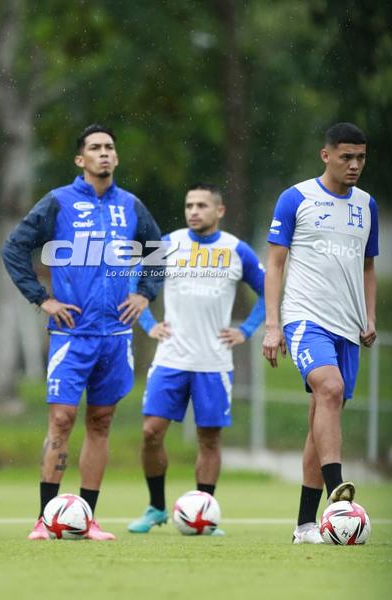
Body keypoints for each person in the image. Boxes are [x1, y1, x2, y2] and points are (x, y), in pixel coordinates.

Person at [2, 124, 163, 540]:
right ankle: (44, 518)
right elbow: (14, 247)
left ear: (116, 157)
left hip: (115, 337)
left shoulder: (130, 205)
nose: (104, 153)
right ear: (81, 160)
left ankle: (86, 519)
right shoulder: (58, 202)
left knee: (101, 422)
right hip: (70, 334)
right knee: (61, 418)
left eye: (110, 147)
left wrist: (144, 293)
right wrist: (43, 299)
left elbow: (158, 250)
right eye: (95, 148)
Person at [261, 123, 378, 544]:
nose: (355, 165)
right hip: (305, 318)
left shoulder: (367, 205)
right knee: (329, 388)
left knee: (321, 417)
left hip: (349, 325)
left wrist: (370, 316)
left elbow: (367, 266)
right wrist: (273, 325)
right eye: (347, 156)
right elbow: (274, 264)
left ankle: (306, 525)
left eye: (361, 157)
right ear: (325, 155)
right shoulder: (296, 198)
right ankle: (338, 494)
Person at [126, 183, 266, 536]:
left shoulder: (237, 250)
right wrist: (148, 324)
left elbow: (270, 289)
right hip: (171, 358)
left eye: (202, 205)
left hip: (213, 363)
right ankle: (156, 507)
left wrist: (247, 330)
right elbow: (134, 283)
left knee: (209, 439)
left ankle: (203, 513)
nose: (193, 211)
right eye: (189, 205)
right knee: (150, 432)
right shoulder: (169, 244)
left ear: (219, 211)